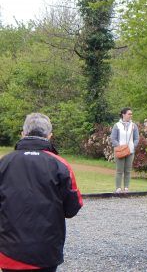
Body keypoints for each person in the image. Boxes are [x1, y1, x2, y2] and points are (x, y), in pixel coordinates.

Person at [0, 113, 83, 272]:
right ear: (50, 136)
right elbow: (72, 208)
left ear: (23, 134)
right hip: (46, 252)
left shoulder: (4, 163)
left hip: (9, 251)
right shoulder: (60, 165)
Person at [110, 107, 140, 193]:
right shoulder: (117, 125)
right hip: (120, 151)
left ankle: (126, 187)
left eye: (131, 114)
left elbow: (137, 138)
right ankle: (118, 188)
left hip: (130, 151)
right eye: (129, 114)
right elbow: (113, 138)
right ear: (123, 114)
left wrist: (133, 146)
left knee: (128, 170)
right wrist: (119, 147)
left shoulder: (134, 126)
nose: (131, 115)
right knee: (119, 170)